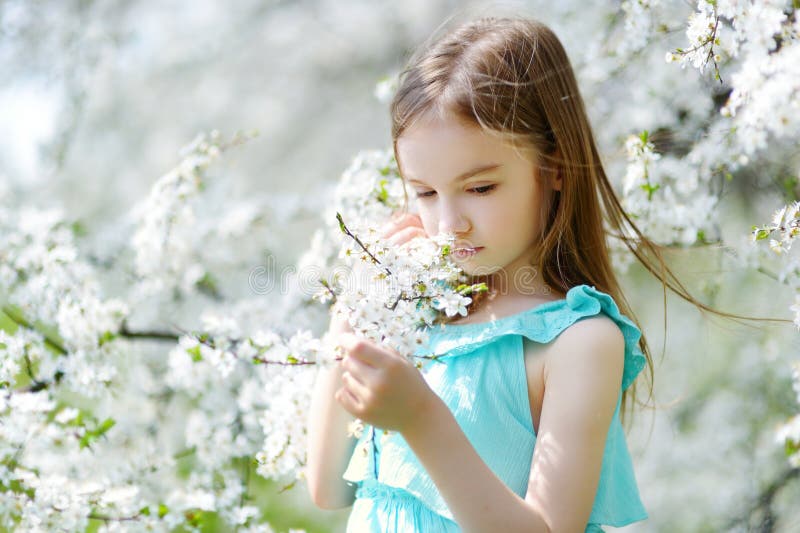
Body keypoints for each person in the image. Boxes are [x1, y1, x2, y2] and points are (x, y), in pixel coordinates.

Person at [305, 15, 745, 532]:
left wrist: (419, 417)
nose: (449, 224)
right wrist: (353, 318)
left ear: (554, 167)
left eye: (481, 188)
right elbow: (329, 488)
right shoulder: (416, 319)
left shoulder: (578, 341)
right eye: (425, 192)